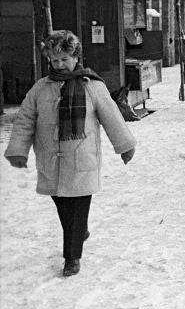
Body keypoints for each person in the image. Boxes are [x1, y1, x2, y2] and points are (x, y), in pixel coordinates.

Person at [4, 30, 136, 277]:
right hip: (50, 159)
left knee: (76, 207)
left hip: (81, 158)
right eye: (55, 60)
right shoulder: (40, 89)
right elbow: (25, 119)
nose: (60, 64)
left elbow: (112, 117)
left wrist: (125, 146)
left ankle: (72, 258)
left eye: (65, 59)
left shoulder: (92, 86)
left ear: (76, 57)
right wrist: (18, 149)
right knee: (64, 206)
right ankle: (79, 230)